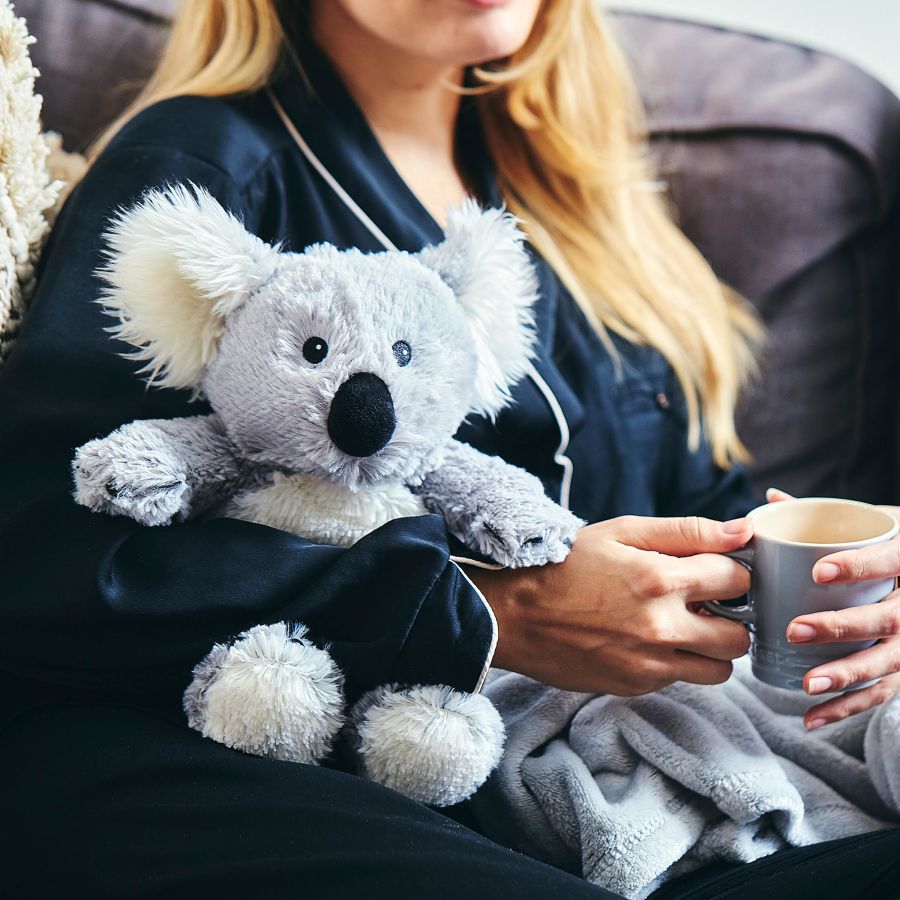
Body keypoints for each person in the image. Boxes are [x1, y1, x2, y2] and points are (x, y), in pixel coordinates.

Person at [1, 1, 898, 897]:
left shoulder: (585, 215)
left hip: (633, 791)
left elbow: (707, 516)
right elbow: (42, 548)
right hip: (289, 770)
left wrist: (852, 587)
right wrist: (491, 608)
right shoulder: (200, 170)